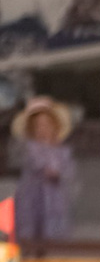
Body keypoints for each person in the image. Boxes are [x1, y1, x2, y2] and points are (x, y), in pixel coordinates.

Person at [9, 95, 76, 245]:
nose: (43, 130)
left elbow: (69, 172)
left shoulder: (63, 152)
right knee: (30, 229)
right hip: (32, 198)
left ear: (55, 127)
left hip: (55, 201)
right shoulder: (30, 149)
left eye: (47, 125)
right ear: (31, 130)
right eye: (38, 126)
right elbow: (36, 164)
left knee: (53, 232)